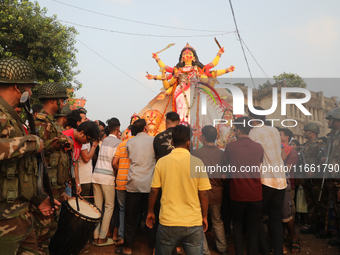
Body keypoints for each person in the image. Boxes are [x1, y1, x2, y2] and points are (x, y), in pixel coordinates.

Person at [0, 57, 60, 255]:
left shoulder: (12, 117)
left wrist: (36, 199)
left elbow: (20, 168)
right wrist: (29, 143)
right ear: (17, 87)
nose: (31, 92)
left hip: (21, 214)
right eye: (30, 87)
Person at [146, 125, 211, 255]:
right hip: (193, 222)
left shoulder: (162, 162)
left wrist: (150, 212)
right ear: (189, 143)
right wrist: (204, 216)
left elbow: (154, 191)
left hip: (168, 221)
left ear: (172, 142)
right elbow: (203, 193)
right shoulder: (197, 163)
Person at [146, 43, 235, 122]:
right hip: (180, 92)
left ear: (194, 57)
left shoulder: (199, 69)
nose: (187, 55)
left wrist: (223, 61)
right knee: (181, 108)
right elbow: (166, 70)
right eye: (184, 54)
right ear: (181, 58)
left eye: (189, 53)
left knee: (197, 110)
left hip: (196, 92)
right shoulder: (178, 69)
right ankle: (181, 127)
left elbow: (213, 67)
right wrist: (156, 63)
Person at [33, 82, 74, 253]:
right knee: (40, 233)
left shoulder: (52, 123)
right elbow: (37, 148)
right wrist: (61, 140)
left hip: (55, 185)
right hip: (45, 185)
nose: (64, 104)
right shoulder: (41, 121)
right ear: (52, 100)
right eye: (62, 100)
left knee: (50, 230)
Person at [248, 107, 287, 255]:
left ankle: (264, 249)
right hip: (280, 180)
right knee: (276, 218)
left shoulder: (253, 133)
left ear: (252, 118)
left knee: (255, 217)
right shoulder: (274, 131)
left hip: (265, 180)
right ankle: (277, 251)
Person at [223, 117, 263, 255]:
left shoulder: (230, 147)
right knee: (253, 228)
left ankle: (239, 252)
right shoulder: (258, 147)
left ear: (238, 130)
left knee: (238, 225)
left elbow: (225, 164)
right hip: (256, 193)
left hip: (238, 192)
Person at [115, 119, 156, 255]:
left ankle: (128, 248)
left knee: (130, 217)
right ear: (145, 128)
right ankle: (154, 247)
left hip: (133, 183)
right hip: (150, 185)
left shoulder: (129, 142)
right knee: (151, 216)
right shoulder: (154, 140)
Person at [192, 125, 228, 255]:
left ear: (202, 138)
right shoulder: (222, 154)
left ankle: (205, 251)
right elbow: (224, 177)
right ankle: (223, 248)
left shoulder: (195, 153)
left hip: (200, 194)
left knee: (200, 221)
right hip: (217, 193)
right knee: (217, 221)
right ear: (216, 138)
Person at [92, 118, 121, 246]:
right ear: (118, 129)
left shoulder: (103, 141)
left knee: (97, 208)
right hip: (107, 177)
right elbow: (115, 163)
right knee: (109, 207)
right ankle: (102, 237)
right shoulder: (118, 143)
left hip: (96, 175)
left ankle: (95, 236)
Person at [299, 123, 327, 237]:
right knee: (311, 202)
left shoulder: (320, 144)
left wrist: (314, 171)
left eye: (306, 131)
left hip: (316, 178)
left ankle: (323, 228)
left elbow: (323, 159)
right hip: (307, 177)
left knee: (320, 203)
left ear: (312, 132)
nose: (304, 132)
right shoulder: (305, 145)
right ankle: (314, 225)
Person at [112, 125, 137, 246]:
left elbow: (114, 162)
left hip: (120, 181)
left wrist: (121, 170)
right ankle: (131, 238)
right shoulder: (138, 145)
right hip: (133, 182)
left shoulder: (121, 144)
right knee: (132, 211)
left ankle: (121, 237)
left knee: (122, 209)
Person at [279, 128, 300, 253]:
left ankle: (293, 237)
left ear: (286, 137)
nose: (278, 136)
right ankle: (283, 237)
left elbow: (286, 168)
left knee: (288, 213)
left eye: (280, 135)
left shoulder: (292, 152)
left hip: (287, 184)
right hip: (277, 184)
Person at [324, 108, 340, 250]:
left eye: (330, 119)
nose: (329, 122)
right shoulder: (333, 137)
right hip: (333, 178)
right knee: (336, 209)